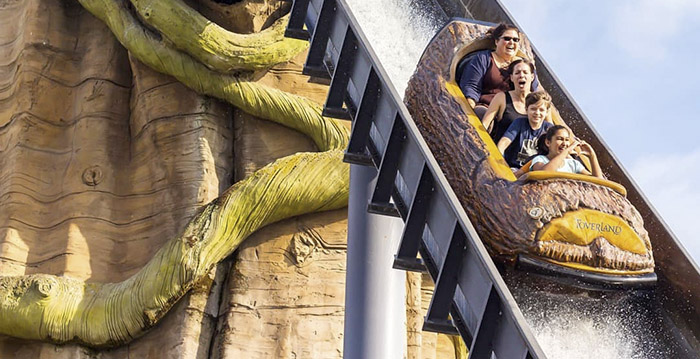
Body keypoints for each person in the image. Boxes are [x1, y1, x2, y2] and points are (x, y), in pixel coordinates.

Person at [458, 24, 539, 119]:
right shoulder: (484, 58)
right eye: (507, 39)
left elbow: (534, 92)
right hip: (487, 108)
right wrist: (469, 109)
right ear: (497, 41)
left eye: (515, 40)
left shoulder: (523, 65)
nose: (511, 42)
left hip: (513, 113)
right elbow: (472, 86)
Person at [481, 59, 534, 142]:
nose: (521, 75)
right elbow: (484, 125)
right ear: (512, 78)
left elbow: (551, 134)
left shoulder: (540, 102)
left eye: (525, 72)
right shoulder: (501, 98)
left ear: (532, 77)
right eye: (517, 73)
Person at [497, 91, 553, 169]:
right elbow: (504, 141)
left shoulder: (549, 129)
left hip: (534, 170)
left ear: (547, 112)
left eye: (541, 110)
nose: (537, 113)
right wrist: (500, 160)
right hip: (513, 167)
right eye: (533, 109)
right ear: (526, 110)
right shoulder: (519, 123)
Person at [530, 125, 603, 178]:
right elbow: (543, 174)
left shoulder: (573, 164)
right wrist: (567, 151)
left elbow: (598, 182)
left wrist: (592, 156)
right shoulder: (540, 159)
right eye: (560, 139)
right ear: (548, 142)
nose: (564, 144)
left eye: (567, 140)